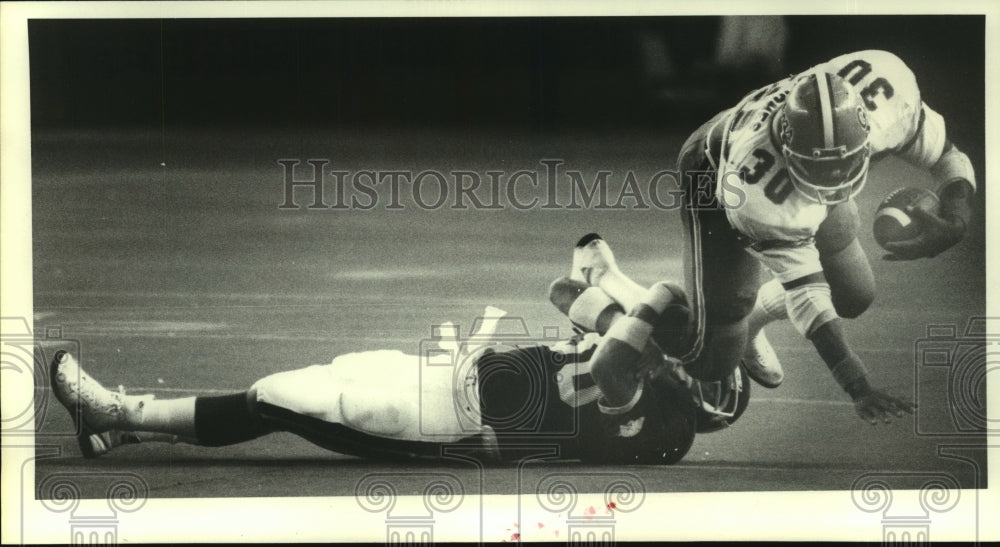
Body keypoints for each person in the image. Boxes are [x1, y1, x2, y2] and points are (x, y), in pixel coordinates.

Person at [49, 269, 747, 465]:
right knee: (311, 378)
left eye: (703, 366)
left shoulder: (654, 416)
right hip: (453, 375)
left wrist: (653, 303)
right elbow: (569, 287)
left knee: (277, 396)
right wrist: (627, 293)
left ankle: (119, 410)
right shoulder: (651, 375)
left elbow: (615, 362)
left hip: (453, 423)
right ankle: (125, 430)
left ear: (701, 400)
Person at [647, 50, 972, 422]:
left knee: (853, 295)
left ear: (865, 130)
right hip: (716, 171)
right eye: (821, 170)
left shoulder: (886, 94)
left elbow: (946, 156)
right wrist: (857, 385)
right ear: (789, 148)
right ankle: (623, 307)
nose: (833, 186)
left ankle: (753, 319)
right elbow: (807, 296)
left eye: (843, 165)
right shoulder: (755, 194)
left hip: (790, 175)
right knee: (713, 361)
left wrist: (958, 219)